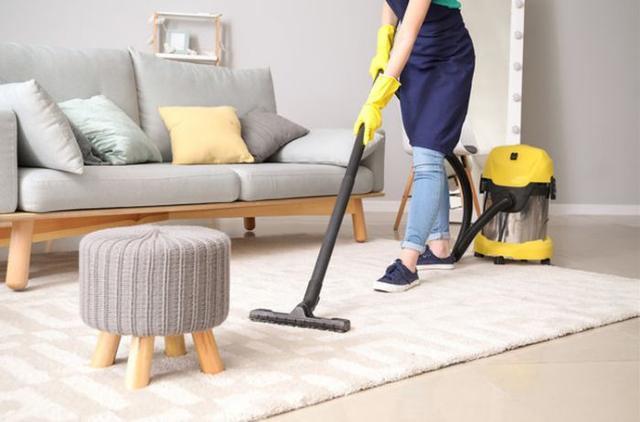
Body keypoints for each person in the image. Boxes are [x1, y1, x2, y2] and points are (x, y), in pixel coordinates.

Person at [354, 0, 475, 293]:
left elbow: (408, 31)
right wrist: (384, 40)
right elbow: (391, 6)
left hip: (447, 59)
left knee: (428, 157)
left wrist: (377, 99)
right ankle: (440, 247)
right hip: (415, 61)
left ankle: (408, 264)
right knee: (426, 152)